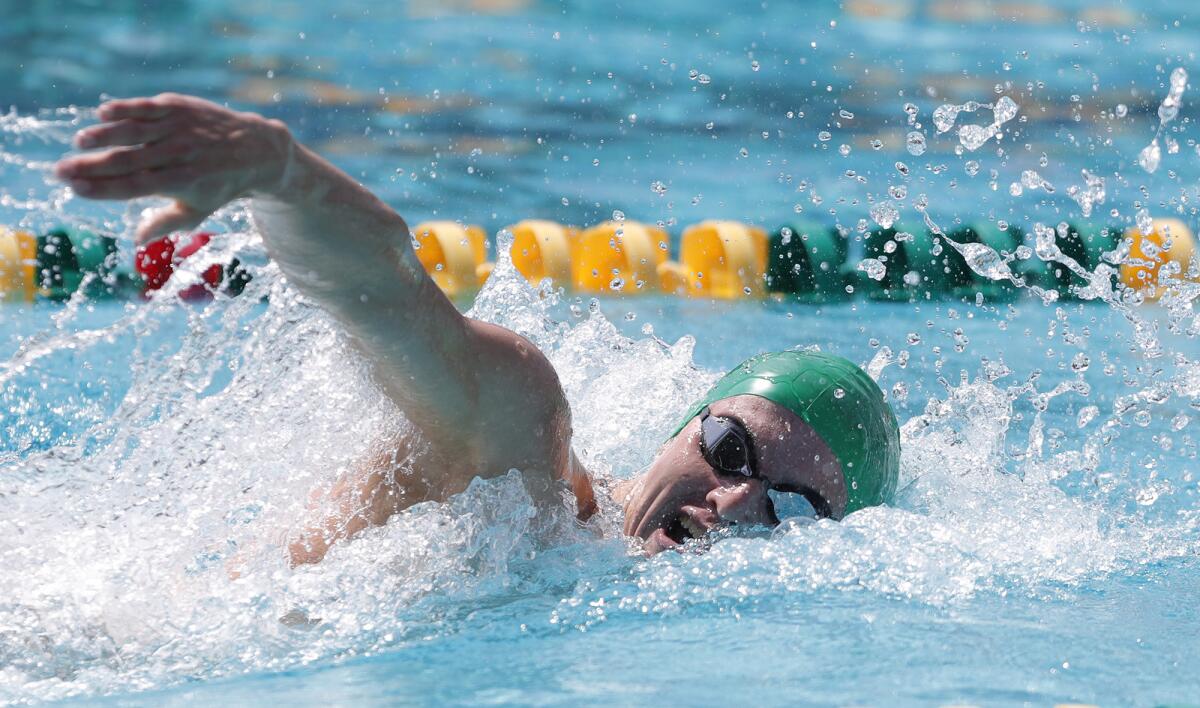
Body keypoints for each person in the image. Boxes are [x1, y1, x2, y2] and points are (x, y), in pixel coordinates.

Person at [53, 94, 901, 562]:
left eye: (792, 509)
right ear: (687, 424)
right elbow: (386, 299)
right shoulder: (523, 469)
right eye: (730, 451)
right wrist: (283, 175)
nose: (735, 500)